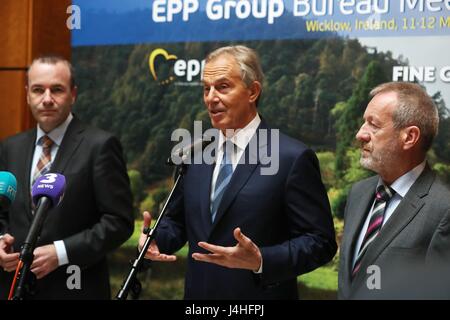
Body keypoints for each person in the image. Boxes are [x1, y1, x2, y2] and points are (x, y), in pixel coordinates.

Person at [139, 45, 337, 299]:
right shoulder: (192, 155)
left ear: (252, 91)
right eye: (206, 88)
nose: (211, 97)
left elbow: (320, 242)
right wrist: (157, 239)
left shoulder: (291, 158)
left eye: (222, 87)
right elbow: (177, 222)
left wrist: (261, 260)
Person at [0, 55, 134, 299]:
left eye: (57, 90)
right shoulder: (10, 147)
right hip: (13, 288)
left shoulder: (100, 145)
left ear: (73, 94)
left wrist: (61, 253)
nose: (47, 99)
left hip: (74, 289)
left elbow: (119, 222)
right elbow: (2, 214)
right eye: (38, 90)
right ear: (27, 93)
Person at [338, 82, 450, 299]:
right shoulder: (358, 194)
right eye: (364, 123)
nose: (361, 134)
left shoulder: (443, 209)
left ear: (409, 137)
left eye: (373, 125)